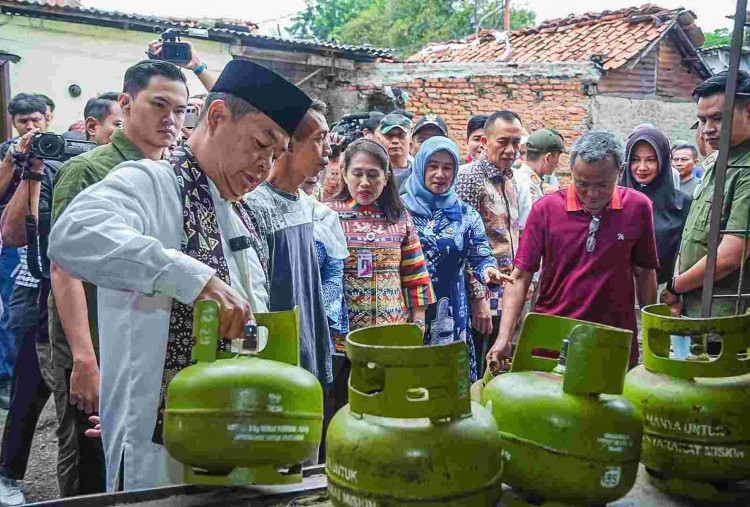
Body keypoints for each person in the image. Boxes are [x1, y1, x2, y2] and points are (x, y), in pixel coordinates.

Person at [48, 59, 311, 491]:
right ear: (217, 116)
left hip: (234, 434)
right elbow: (72, 235)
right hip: (158, 448)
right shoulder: (150, 181)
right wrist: (196, 279)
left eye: (275, 155)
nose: (264, 166)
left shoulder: (243, 214)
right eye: (260, 143)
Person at [49, 62, 186, 499]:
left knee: (144, 461)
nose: (171, 119)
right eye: (159, 105)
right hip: (92, 339)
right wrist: (85, 360)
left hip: (142, 340)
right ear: (125, 104)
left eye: (180, 110)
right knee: (91, 466)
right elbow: (63, 266)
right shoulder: (90, 169)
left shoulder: (177, 176)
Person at [488, 130, 659, 370]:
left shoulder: (638, 208)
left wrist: (653, 335)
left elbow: (645, 273)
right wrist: (503, 338)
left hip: (613, 338)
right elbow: (519, 278)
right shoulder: (546, 210)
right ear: (571, 173)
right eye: (582, 184)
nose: (592, 194)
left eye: (602, 185)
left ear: (619, 172)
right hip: (552, 337)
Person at [244, 99, 334, 386]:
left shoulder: (306, 203)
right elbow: (251, 295)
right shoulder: (254, 205)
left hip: (307, 342)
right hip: (275, 358)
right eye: (319, 139)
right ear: (288, 143)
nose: (329, 150)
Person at [402, 137, 507, 380]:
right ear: (420, 167)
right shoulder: (399, 210)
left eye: (447, 167)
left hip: (450, 311)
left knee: (448, 382)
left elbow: (480, 254)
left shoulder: (465, 214)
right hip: (409, 308)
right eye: (433, 166)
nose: (440, 173)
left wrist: (488, 271)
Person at [0, 125, 62, 506]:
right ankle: (8, 472)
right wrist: (32, 168)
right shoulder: (52, 168)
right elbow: (15, 232)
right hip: (40, 287)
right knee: (30, 383)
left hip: (102, 301)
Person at [661, 71, 750, 322]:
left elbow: (730, 256)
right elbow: (693, 235)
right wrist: (677, 287)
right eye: (702, 120)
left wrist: (675, 286)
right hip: (695, 309)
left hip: (727, 319)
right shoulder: (719, 162)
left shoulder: (746, 169)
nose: (707, 129)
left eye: (718, 118)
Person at [329, 139, 435, 342]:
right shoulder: (329, 215)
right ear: (344, 174)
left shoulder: (399, 216)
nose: (365, 182)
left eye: (373, 175)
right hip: (342, 334)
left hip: (392, 332)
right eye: (357, 173)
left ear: (386, 178)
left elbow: (415, 274)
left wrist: (419, 321)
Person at [454, 111, 522, 375]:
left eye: (516, 143)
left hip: (506, 295)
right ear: (484, 141)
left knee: (496, 370)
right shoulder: (469, 177)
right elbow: (463, 243)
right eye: (503, 142)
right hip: (482, 296)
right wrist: (477, 298)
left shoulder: (510, 178)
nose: (510, 150)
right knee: (476, 369)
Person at [0, 94, 50, 410]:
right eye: (23, 121)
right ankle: (7, 376)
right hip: (11, 241)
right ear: (13, 122)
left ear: (49, 117)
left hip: (44, 238)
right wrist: (11, 160)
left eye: (35, 119)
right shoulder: (8, 150)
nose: (30, 126)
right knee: (11, 310)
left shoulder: (61, 148)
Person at [621, 128, 691, 286]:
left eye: (651, 160)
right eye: (635, 159)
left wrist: (674, 289)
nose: (642, 167)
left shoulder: (682, 203)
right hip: (616, 291)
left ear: (663, 161)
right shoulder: (612, 199)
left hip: (664, 292)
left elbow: (685, 254)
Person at [515, 129, 566, 228]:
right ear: (548, 158)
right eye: (557, 157)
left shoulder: (520, 178)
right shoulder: (527, 186)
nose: (558, 164)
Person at [375, 111, 414, 190]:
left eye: (401, 135)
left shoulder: (419, 172)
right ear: (379, 140)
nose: (395, 141)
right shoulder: (373, 172)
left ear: (410, 140)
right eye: (389, 135)